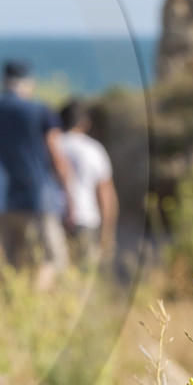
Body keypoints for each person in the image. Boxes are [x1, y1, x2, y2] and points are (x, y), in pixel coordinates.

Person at [0, 59, 72, 289]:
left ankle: (5, 312)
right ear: (28, 83)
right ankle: (36, 303)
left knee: (2, 266)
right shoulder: (41, 111)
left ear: (3, 82)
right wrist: (69, 196)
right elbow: (57, 157)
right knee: (51, 259)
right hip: (37, 200)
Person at [57, 99, 118, 264]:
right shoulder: (94, 149)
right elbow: (105, 193)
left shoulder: (52, 145)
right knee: (84, 276)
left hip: (54, 217)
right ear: (85, 123)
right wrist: (107, 233)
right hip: (85, 220)